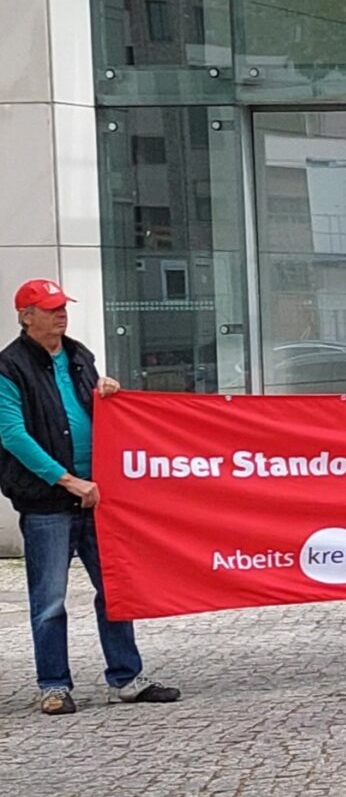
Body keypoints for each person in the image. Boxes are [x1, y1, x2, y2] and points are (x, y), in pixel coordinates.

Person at [0, 279, 180, 715]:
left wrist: (108, 394)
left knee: (116, 589)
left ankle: (126, 677)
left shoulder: (80, 355)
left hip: (99, 495)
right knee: (49, 601)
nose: (60, 314)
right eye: (50, 308)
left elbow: (92, 405)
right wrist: (66, 480)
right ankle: (54, 686)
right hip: (50, 501)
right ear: (26, 316)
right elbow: (12, 434)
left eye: (63, 306)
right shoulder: (9, 367)